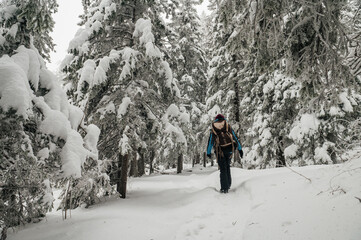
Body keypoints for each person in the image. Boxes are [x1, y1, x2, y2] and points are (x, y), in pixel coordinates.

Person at [206, 114, 243, 193]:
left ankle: (224, 188)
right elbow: (235, 137)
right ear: (223, 119)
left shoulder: (214, 128)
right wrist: (240, 149)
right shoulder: (227, 126)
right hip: (229, 149)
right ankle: (228, 184)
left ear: (216, 119)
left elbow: (210, 142)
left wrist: (208, 152)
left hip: (220, 151)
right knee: (227, 167)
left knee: (223, 169)